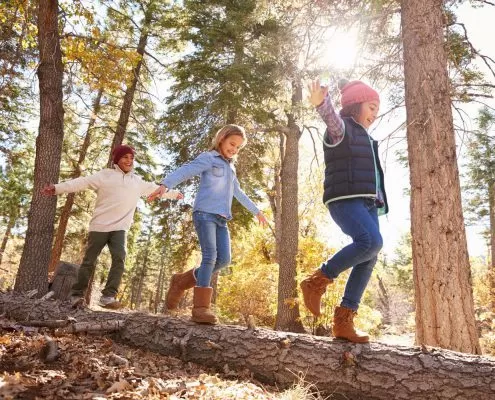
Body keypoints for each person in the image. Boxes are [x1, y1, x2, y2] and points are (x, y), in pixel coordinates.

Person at [148, 124, 268, 324]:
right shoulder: (208, 158)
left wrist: (257, 211)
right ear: (221, 139)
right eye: (232, 144)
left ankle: (181, 281)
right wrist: (165, 185)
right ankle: (201, 308)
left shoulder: (231, 168)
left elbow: (238, 192)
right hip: (204, 214)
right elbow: (186, 170)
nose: (234, 149)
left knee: (224, 260)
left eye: (238, 147)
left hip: (222, 219)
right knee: (210, 256)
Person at [300, 79, 389, 343]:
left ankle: (343, 321)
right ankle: (317, 281)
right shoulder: (343, 129)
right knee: (371, 241)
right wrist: (322, 104)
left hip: (368, 203)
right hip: (344, 199)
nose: (374, 114)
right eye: (371, 107)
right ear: (354, 106)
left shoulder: (367, 138)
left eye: (377, 110)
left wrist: (379, 199)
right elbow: (331, 119)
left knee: (369, 255)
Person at [42, 144, 183, 309]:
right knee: (89, 261)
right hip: (99, 226)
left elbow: (156, 189)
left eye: (131, 158)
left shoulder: (137, 182)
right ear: (117, 159)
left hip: (120, 228)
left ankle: (108, 296)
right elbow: (82, 182)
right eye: (125, 157)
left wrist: (174, 194)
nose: (129, 161)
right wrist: (57, 188)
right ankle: (76, 295)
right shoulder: (105, 176)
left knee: (120, 257)